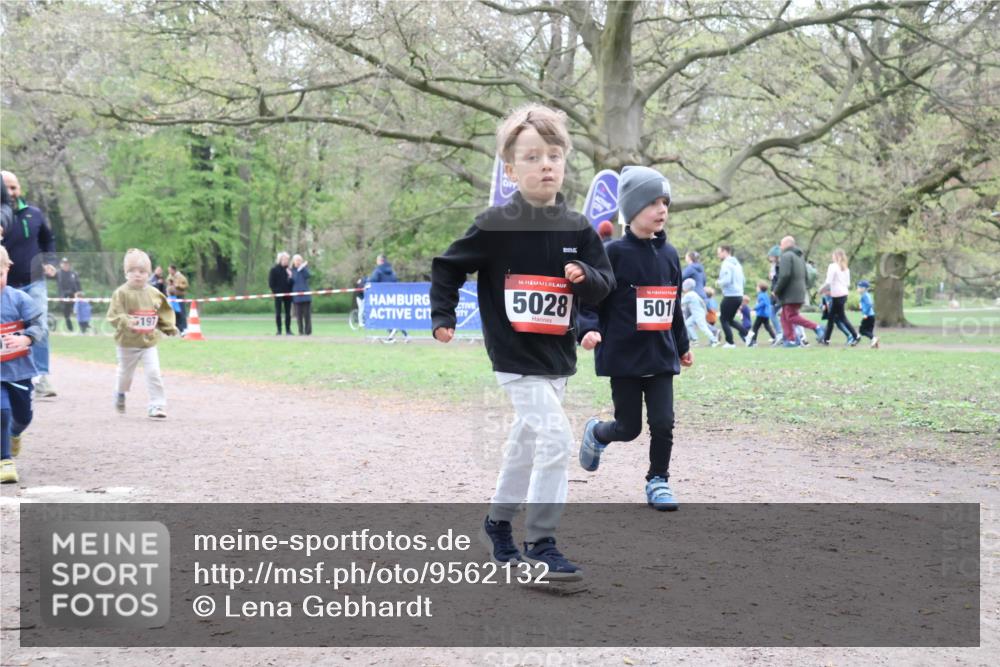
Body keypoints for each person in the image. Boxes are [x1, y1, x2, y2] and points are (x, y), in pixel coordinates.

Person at [430, 103, 614, 580]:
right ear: (511, 169)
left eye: (554, 155)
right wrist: (442, 315)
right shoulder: (495, 224)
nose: (546, 164)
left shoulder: (577, 227)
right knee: (555, 438)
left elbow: (604, 284)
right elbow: (448, 265)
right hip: (513, 357)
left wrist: (584, 275)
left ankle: (497, 521)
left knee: (525, 445)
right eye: (532, 157)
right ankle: (541, 540)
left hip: (557, 357)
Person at [577, 166, 692, 511]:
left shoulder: (670, 255)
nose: (662, 210)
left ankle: (658, 480)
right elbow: (590, 298)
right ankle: (598, 433)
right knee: (629, 428)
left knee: (663, 423)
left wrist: (683, 346)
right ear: (632, 210)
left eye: (665, 203)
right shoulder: (612, 254)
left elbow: (673, 307)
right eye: (653, 203)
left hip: (659, 356)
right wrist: (588, 329)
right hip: (623, 357)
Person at [1, 170, 57, 397]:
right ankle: (13, 376)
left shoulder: (34, 214)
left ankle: (42, 378)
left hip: (34, 281)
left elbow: (48, 239)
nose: (12, 192)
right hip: (6, 286)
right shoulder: (2, 218)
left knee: (38, 323)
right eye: (7, 188)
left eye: (15, 187)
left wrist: (50, 260)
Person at [106, 249, 178, 419]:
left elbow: (162, 313)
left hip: (148, 343)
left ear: (149, 273)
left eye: (142, 271)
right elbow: (113, 315)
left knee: (154, 372)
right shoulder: (121, 293)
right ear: (126, 274)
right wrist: (126, 320)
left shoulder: (154, 293)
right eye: (133, 271)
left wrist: (169, 327)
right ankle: (120, 393)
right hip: (127, 344)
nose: (137, 275)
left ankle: (157, 405)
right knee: (125, 375)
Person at [1, 245, 43, 484]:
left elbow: (39, 325)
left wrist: (24, 338)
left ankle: (15, 434)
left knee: (23, 416)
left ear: (8, 268)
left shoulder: (19, 299)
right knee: (1, 410)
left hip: (19, 370)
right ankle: (4, 460)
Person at [773, 235, 825, 347]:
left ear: (787, 244)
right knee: (784, 316)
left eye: (781, 244)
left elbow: (784, 275)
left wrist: (776, 290)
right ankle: (790, 340)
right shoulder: (800, 257)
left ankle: (816, 327)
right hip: (800, 291)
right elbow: (806, 275)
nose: (780, 247)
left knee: (791, 316)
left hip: (790, 293)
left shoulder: (786, 256)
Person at [821, 249, 859, 346]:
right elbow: (848, 283)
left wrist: (821, 289)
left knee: (838, 317)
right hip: (844, 294)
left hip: (836, 295)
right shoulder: (846, 268)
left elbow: (828, 281)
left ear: (836, 256)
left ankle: (855, 335)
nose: (832, 257)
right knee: (834, 317)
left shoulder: (832, 266)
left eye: (833, 255)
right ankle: (826, 339)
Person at [368, 254, 408, 339]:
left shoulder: (378, 270)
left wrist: (365, 281)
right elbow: (395, 280)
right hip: (393, 295)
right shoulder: (392, 271)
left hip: (383, 297)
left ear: (380, 261)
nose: (376, 262)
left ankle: (391, 334)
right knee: (395, 315)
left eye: (377, 260)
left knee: (385, 316)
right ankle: (405, 335)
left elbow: (372, 280)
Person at [715, 244, 745, 347]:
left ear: (725, 252)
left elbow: (727, 280)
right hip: (739, 294)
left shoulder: (726, 264)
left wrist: (718, 282)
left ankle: (730, 342)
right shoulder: (737, 264)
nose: (718, 255)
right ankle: (748, 335)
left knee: (723, 319)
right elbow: (743, 280)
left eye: (719, 253)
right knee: (730, 320)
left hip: (730, 295)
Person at [681, 278, 717, 346]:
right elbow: (702, 303)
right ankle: (695, 340)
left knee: (703, 328)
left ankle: (714, 340)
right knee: (688, 324)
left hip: (698, 315)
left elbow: (681, 302)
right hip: (698, 314)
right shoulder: (694, 293)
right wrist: (705, 311)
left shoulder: (689, 295)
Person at [268, 251, 294, 336]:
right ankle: (279, 330)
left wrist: (290, 276)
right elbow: (271, 283)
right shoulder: (274, 270)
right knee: (278, 313)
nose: (286, 261)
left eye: (287, 259)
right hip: (278, 294)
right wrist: (275, 292)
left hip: (288, 295)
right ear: (280, 259)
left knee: (288, 313)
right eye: (285, 259)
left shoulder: (289, 270)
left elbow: (292, 283)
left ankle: (288, 330)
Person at [746, 281, 778, 347]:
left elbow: (762, 304)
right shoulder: (766, 294)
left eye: (757, 287)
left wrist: (755, 308)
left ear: (760, 288)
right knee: (767, 327)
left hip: (761, 314)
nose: (756, 288)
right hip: (766, 314)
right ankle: (775, 338)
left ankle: (753, 342)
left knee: (755, 327)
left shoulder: (761, 295)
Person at [56, 257, 81, 332]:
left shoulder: (73, 273)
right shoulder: (58, 273)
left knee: (78, 311)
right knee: (66, 313)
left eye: (67, 264)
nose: (66, 265)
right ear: (61, 265)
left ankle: (83, 327)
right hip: (64, 296)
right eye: (64, 264)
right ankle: (70, 328)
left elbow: (77, 284)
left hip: (73, 295)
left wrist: (79, 292)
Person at [291, 254, 312, 335]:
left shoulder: (304, 269)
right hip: (297, 297)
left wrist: (303, 268)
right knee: (298, 316)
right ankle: (300, 331)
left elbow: (308, 275)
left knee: (307, 315)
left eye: (300, 260)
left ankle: (308, 331)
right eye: (296, 260)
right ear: (293, 262)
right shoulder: (292, 271)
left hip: (306, 297)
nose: (298, 262)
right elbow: (292, 280)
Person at [766, 245, 784, 338]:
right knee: (773, 312)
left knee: (774, 313)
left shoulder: (779, 266)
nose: (769, 258)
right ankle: (780, 333)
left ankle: (780, 333)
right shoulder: (774, 266)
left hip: (778, 293)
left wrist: (776, 291)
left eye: (771, 256)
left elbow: (780, 280)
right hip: (774, 292)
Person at [857, 280, 879, 348]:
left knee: (862, 330)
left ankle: (874, 339)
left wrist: (865, 313)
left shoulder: (865, 295)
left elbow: (869, 304)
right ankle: (874, 343)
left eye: (859, 288)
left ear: (863, 289)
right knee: (869, 331)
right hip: (871, 315)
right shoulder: (866, 295)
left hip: (868, 316)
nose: (857, 289)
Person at [167, 264, 189, 333]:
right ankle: (178, 327)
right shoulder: (170, 276)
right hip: (172, 297)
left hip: (179, 296)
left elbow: (186, 285)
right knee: (174, 312)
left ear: (173, 270)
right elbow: (168, 282)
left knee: (182, 312)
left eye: (170, 270)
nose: (169, 272)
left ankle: (184, 328)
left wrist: (178, 285)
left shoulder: (181, 277)